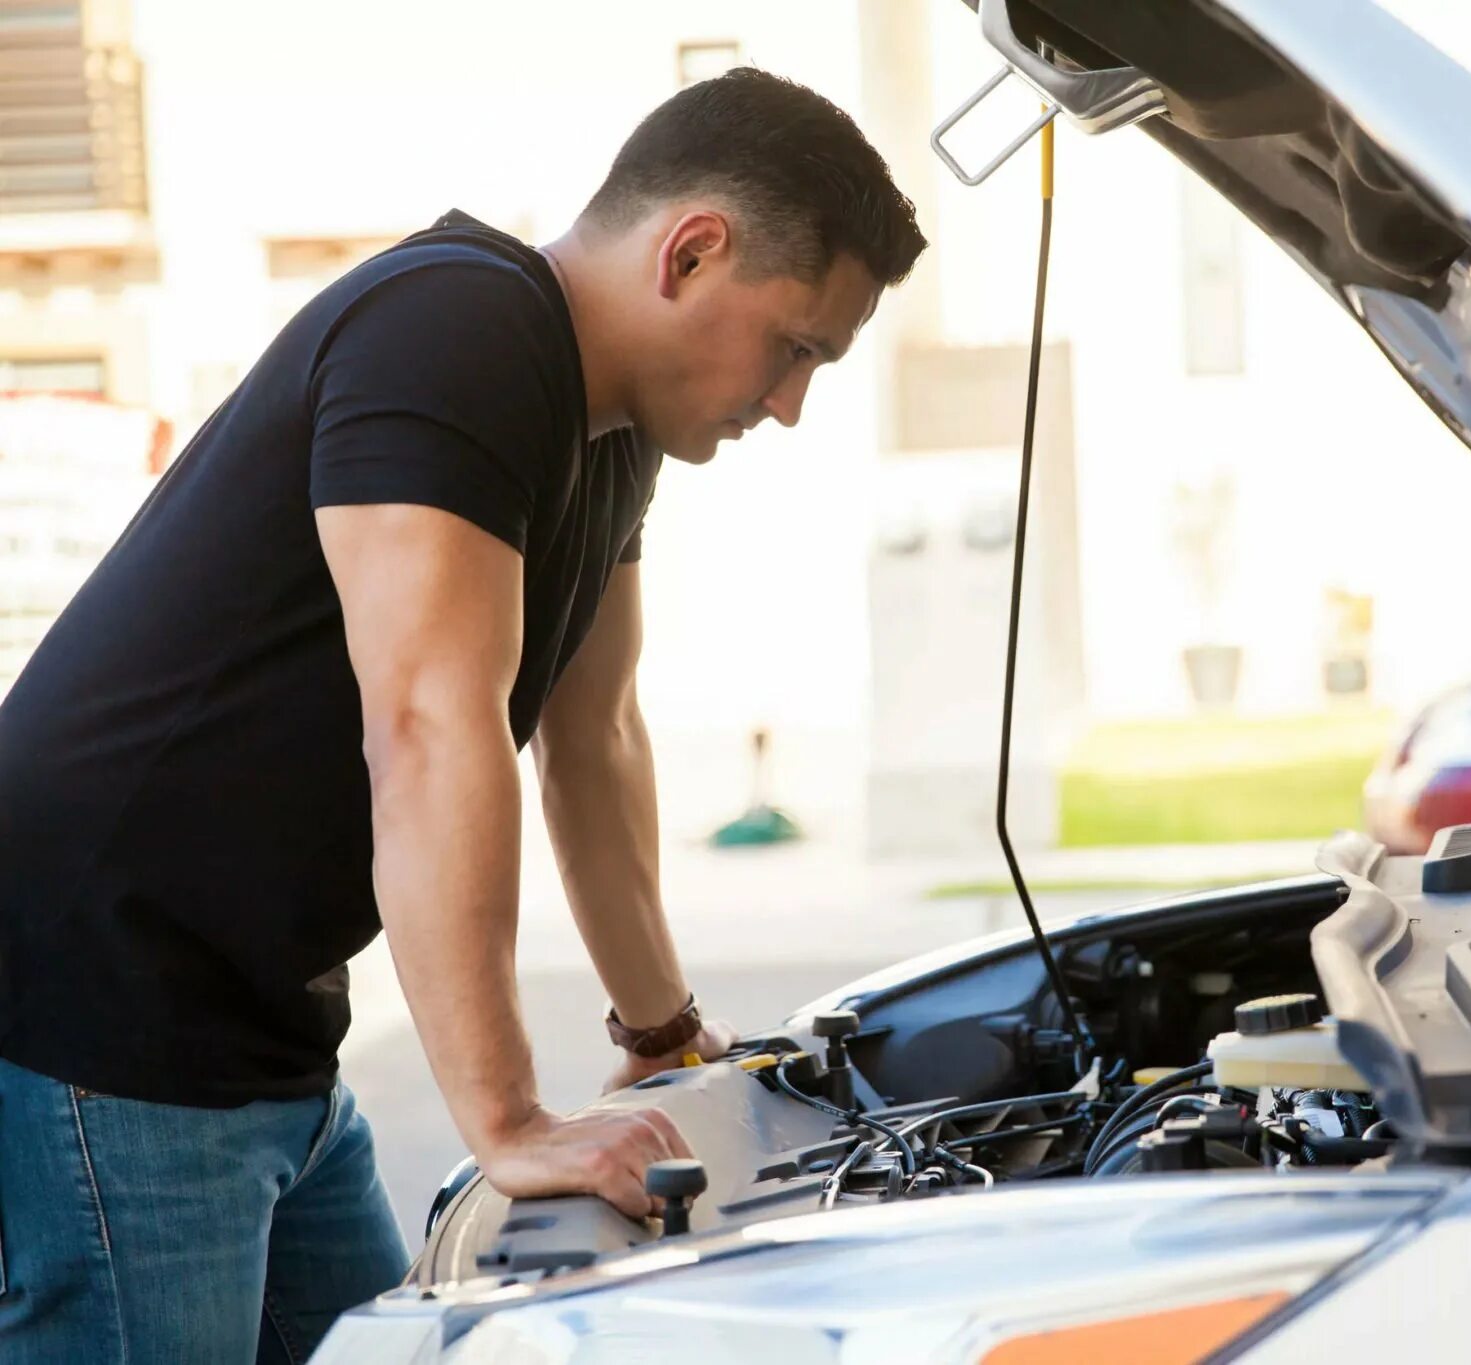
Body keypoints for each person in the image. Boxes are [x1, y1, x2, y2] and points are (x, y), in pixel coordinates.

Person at [0, 67, 925, 1363]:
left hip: (263, 1025)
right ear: (693, 250)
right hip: (111, 1016)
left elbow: (591, 738)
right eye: (796, 347)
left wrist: (662, 1035)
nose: (789, 404)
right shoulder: (459, 330)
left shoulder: (613, 435)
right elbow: (433, 722)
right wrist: (509, 1119)